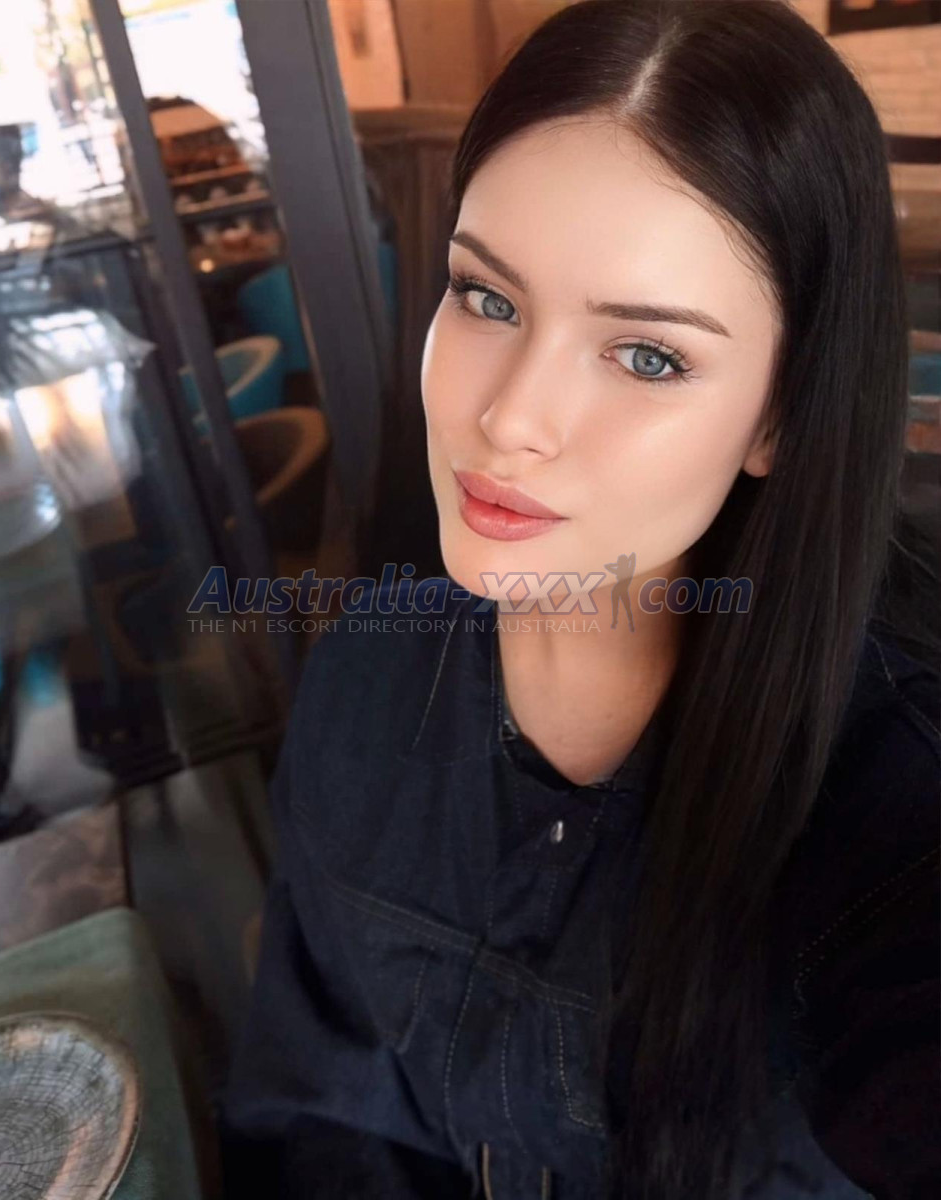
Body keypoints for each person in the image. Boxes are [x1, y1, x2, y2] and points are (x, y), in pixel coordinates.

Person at [220, 2, 939, 1197]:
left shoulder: (889, 822)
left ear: (777, 415)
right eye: (486, 298)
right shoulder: (364, 680)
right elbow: (314, 1099)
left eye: (646, 355)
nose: (508, 417)